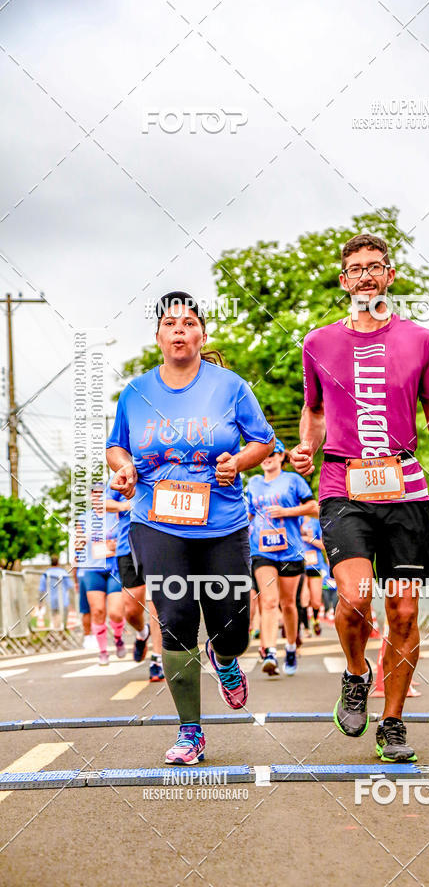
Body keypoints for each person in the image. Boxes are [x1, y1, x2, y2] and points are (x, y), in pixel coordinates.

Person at [291, 232, 429, 762]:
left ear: (390, 276)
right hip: (343, 484)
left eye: (375, 266)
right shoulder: (319, 343)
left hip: (404, 487)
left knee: (402, 611)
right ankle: (356, 674)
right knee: (354, 597)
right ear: (343, 280)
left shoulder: (421, 340)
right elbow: (313, 412)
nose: (366, 276)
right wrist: (306, 449)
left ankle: (393, 724)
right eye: (355, 269)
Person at [107, 291, 274, 765]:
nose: (179, 330)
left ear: (202, 334)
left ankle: (226, 660)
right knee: (176, 617)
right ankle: (190, 731)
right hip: (156, 518)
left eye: (188, 323)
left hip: (222, 521)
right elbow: (117, 447)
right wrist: (124, 470)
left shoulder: (230, 386)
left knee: (232, 628)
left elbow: (263, 441)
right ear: (158, 336)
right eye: (170, 324)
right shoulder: (136, 392)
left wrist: (237, 461)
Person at [246, 438, 318, 676]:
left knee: (288, 604)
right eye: (263, 456)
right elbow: (246, 515)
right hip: (261, 550)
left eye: (271, 455)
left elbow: (315, 507)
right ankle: (269, 653)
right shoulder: (253, 484)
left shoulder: (293, 480)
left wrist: (287, 511)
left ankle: (289, 646)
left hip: (290, 549)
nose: (266, 459)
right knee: (268, 602)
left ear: (280, 457)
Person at [105, 490, 164, 681]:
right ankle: (142, 632)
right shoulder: (121, 472)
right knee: (131, 610)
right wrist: (123, 506)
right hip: (127, 547)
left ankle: (157, 659)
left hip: (159, 542)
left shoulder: (163, 465)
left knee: (157, 602)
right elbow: (104, 503)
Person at [74, 484, 125, 664]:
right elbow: (77, 544)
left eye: (101, 494)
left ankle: (118, 637)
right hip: (91, 568)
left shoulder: (117, 514)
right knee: (97, 611)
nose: (97, 497)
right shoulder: (83, 518)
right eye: (94, 494)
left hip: (114, 568)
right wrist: (80, 542)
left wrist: (114, 543)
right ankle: (103, 651)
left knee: (116, 613)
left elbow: (126, 537)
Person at [300, 516, 326, 635]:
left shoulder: (315, 523)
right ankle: (306, 628)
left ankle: (315, 620)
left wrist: (308, 539)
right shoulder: (294, 522)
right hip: (300, 564)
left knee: (316, 600)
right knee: (304, 598)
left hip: (316, 564)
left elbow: (323, 545)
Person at [38, 555, 74, 630]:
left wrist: (40, 602)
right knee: (63, 618)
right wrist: (72, 602)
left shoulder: (46, 574)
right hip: (63, 599)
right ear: (58, 562)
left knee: (54, 616)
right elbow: (70, 586)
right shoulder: (63, 572)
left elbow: (41, 589)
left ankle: (55, 632)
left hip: (51, 600)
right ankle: (61, 632)